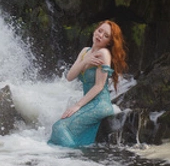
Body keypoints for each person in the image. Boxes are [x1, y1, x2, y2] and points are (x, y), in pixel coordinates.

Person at [48, 20, 128, 148]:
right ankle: (69, 157)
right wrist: (85, 61)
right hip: (89, 103)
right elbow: (70, 77)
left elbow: (99, 86)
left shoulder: (103, 54)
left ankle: (73, 158)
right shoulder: (85, 51)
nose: (100, 35)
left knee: (60, 127)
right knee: (61, 128)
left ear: (109, 42)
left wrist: (77, 106)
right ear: (95, 30)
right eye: (99, 31)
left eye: (106, 36)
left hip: (100, 105)